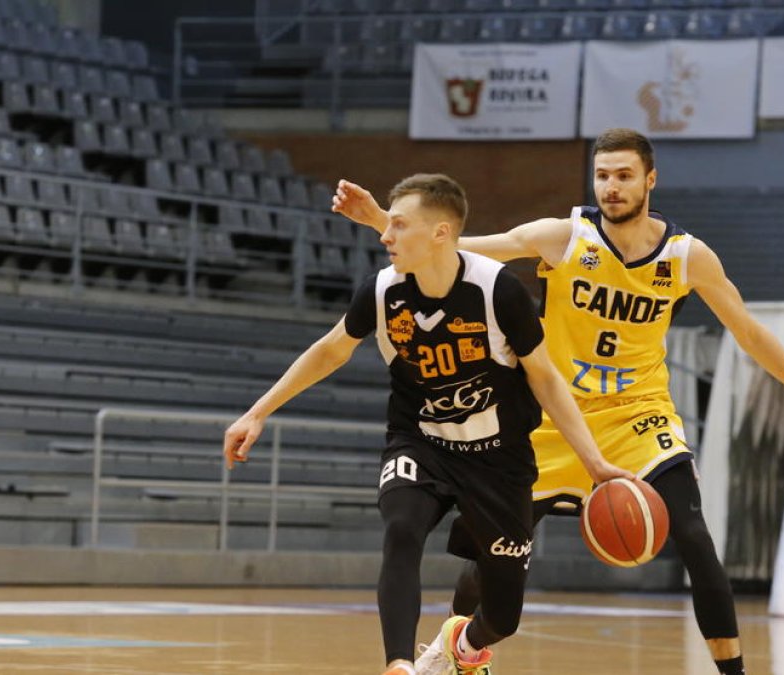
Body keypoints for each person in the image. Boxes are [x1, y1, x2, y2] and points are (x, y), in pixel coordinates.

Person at [332, 129, 784, 675]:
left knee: (693, 536)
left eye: (623, 175)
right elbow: (462, 248)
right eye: (602, 176)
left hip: (638, 416)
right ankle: (459, 654)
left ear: (650, 180)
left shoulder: (689, 257)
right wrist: (385, 220)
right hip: (553, 420)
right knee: (489, 560)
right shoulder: (565, 237)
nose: (611, 187)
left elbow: (750, 333)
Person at [224, 174, 631, 675]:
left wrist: (595, 462)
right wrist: (257, 411)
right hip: (421, 442)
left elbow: (545, 379)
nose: (385, 235)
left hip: (499, 458)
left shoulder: (497, 291)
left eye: (398, 225)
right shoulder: (382, 291)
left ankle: (462, 643)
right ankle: (398, 663)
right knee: (401, 529)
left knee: (502, 618)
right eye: (387, 224)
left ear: (440, 233)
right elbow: (331, 349)